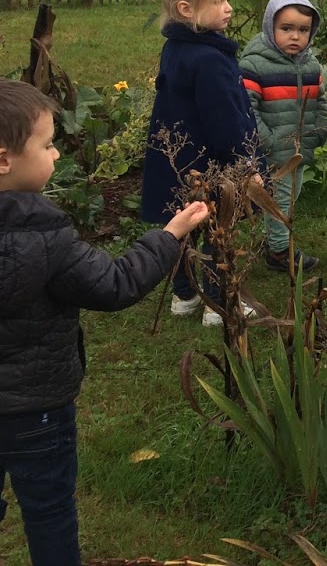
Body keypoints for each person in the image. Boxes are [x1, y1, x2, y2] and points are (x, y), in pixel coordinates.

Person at [0, 78, 207, 566]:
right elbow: (115, 284)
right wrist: (170, 235)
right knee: (48, 509)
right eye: (48, 145)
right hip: (38, 409)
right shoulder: (47, 236)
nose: (54, 156)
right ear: (4, 159)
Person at [138, 0, 261, 326]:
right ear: (186, 9)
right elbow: (225, 120)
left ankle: (185, 295)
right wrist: (246, 167)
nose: (229, 8)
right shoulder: (210, 59)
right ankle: (217, 302)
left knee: (183, 227)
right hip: (210, 162)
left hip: (177, 158)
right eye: (219, 1)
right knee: (215, 229)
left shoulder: (177, 48)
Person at [238, 0, 327, 274]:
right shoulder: (254, 65)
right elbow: (247, 109)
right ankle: (278, 250)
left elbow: (321, 101)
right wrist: (269, 141)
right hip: (274, 150)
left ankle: (271, 240)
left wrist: (320, 130)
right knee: (282, 200)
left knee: (291, 194)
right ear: (269, 26)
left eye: (303, 30)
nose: (295, 37)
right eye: (286, 29)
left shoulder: (311, 65)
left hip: (300, 149)